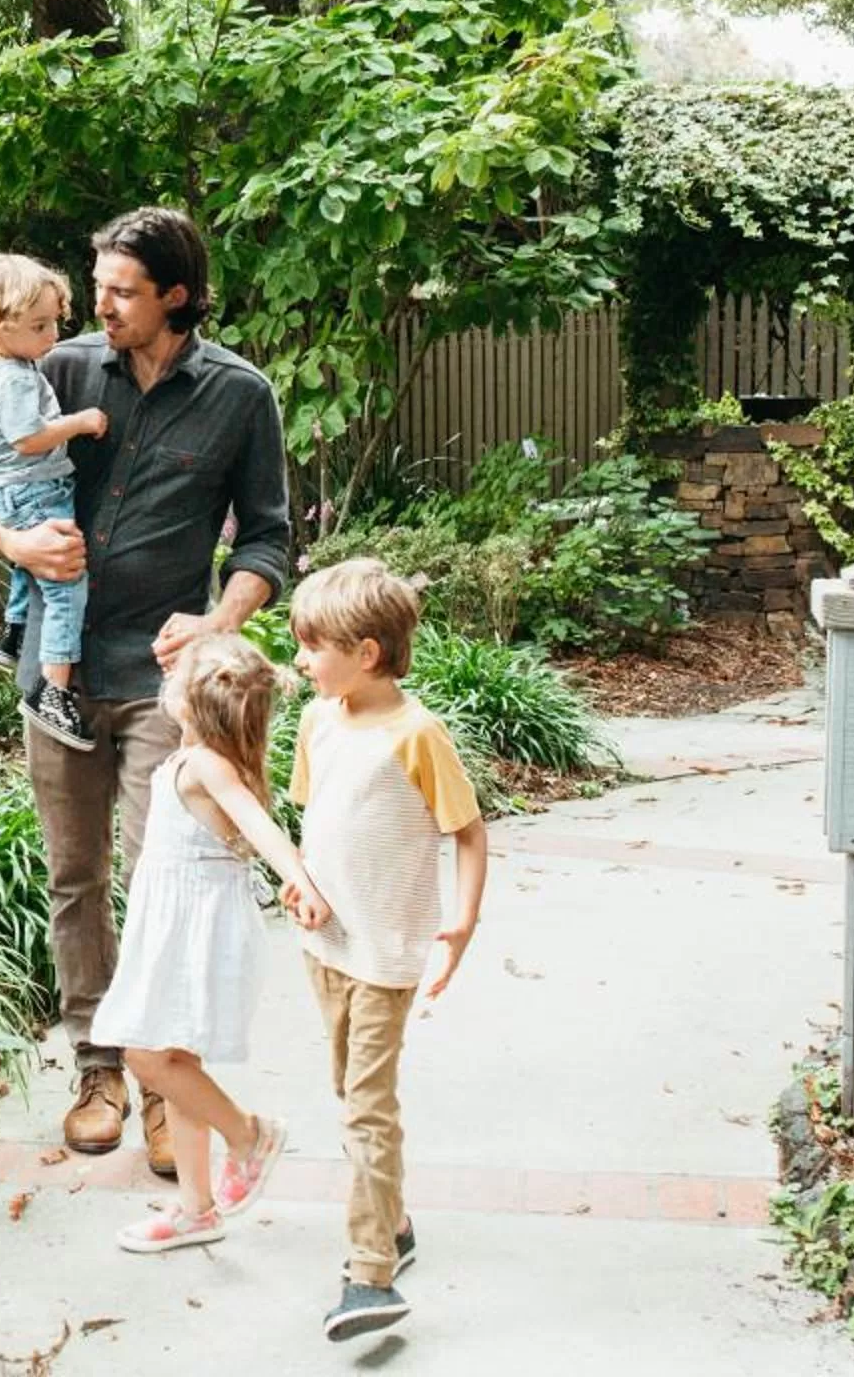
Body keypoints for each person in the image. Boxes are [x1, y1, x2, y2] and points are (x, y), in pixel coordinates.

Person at [0, 207, 292, 1178]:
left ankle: (161, 1084)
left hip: (162, 679)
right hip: (55, 672)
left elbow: (269, 535)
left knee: (155, 880)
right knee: (75, 878)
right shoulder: (52, 369)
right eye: (96, 285)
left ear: (175, 296)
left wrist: (221, 623)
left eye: (121, 290)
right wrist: (14, 542)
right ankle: (97, 1066)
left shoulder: (239, 395)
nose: (98, 303)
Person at [284, 556, 491, 1342]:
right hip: (325, 947)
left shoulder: (417, 735)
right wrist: (296, 883)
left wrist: (463, 921)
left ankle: (369, 1274)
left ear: (365, 653)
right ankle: (396, 1222)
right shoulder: (317, 721)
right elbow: (316, 826)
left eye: (313, 645)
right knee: (347, 1089)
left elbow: (468, 832)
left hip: (387, 954)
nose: (300, 659)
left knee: (368, 1108)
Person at [93, 634, 330, 1253]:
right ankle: (197, 1209)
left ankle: (248, 1135)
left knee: (146, 1055)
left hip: (193, 931)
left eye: (177, 675)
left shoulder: (207, 766)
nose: (164, 676)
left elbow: (260, 825)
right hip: (178, 923)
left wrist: (298, 877)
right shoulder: (195, 759)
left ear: (195, 703)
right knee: (176, 1062)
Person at [0, 254, 106, 750]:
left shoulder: (4, 366)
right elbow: (28, 438)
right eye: (39, 325)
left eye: (55, 321)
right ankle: (52, 693)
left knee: (28, 566)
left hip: (14, 491)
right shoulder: (14, 376)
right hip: (32, 486)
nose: (52, 336)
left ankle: (14, 633)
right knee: (65, 586)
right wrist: (81, 422)